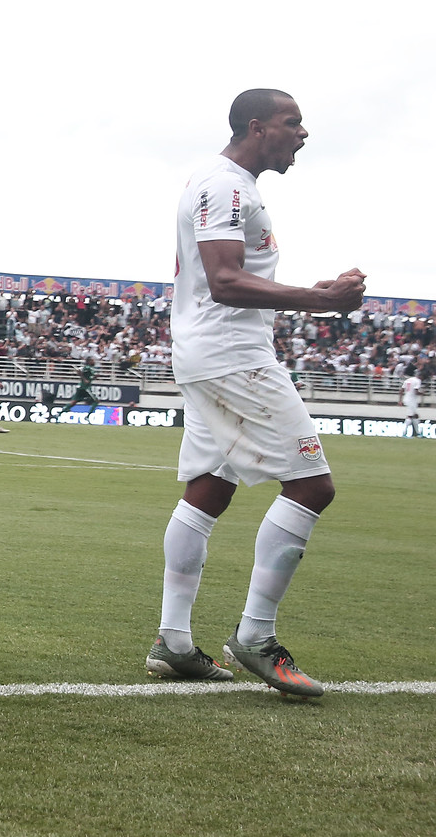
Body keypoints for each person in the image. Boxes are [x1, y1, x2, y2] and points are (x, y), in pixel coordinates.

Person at [145, 88, 365, 695]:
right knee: (312, 484)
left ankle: (175, 642)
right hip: (232, 359)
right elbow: (223, 281)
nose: (302, 134)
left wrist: (311, 292)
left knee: (209, 488)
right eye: (293, 123)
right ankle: (256, 637)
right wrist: (320, 299)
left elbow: (213, 277)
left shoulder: (229, 185)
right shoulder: (226, 185)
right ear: (256, 125)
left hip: (211, 356)